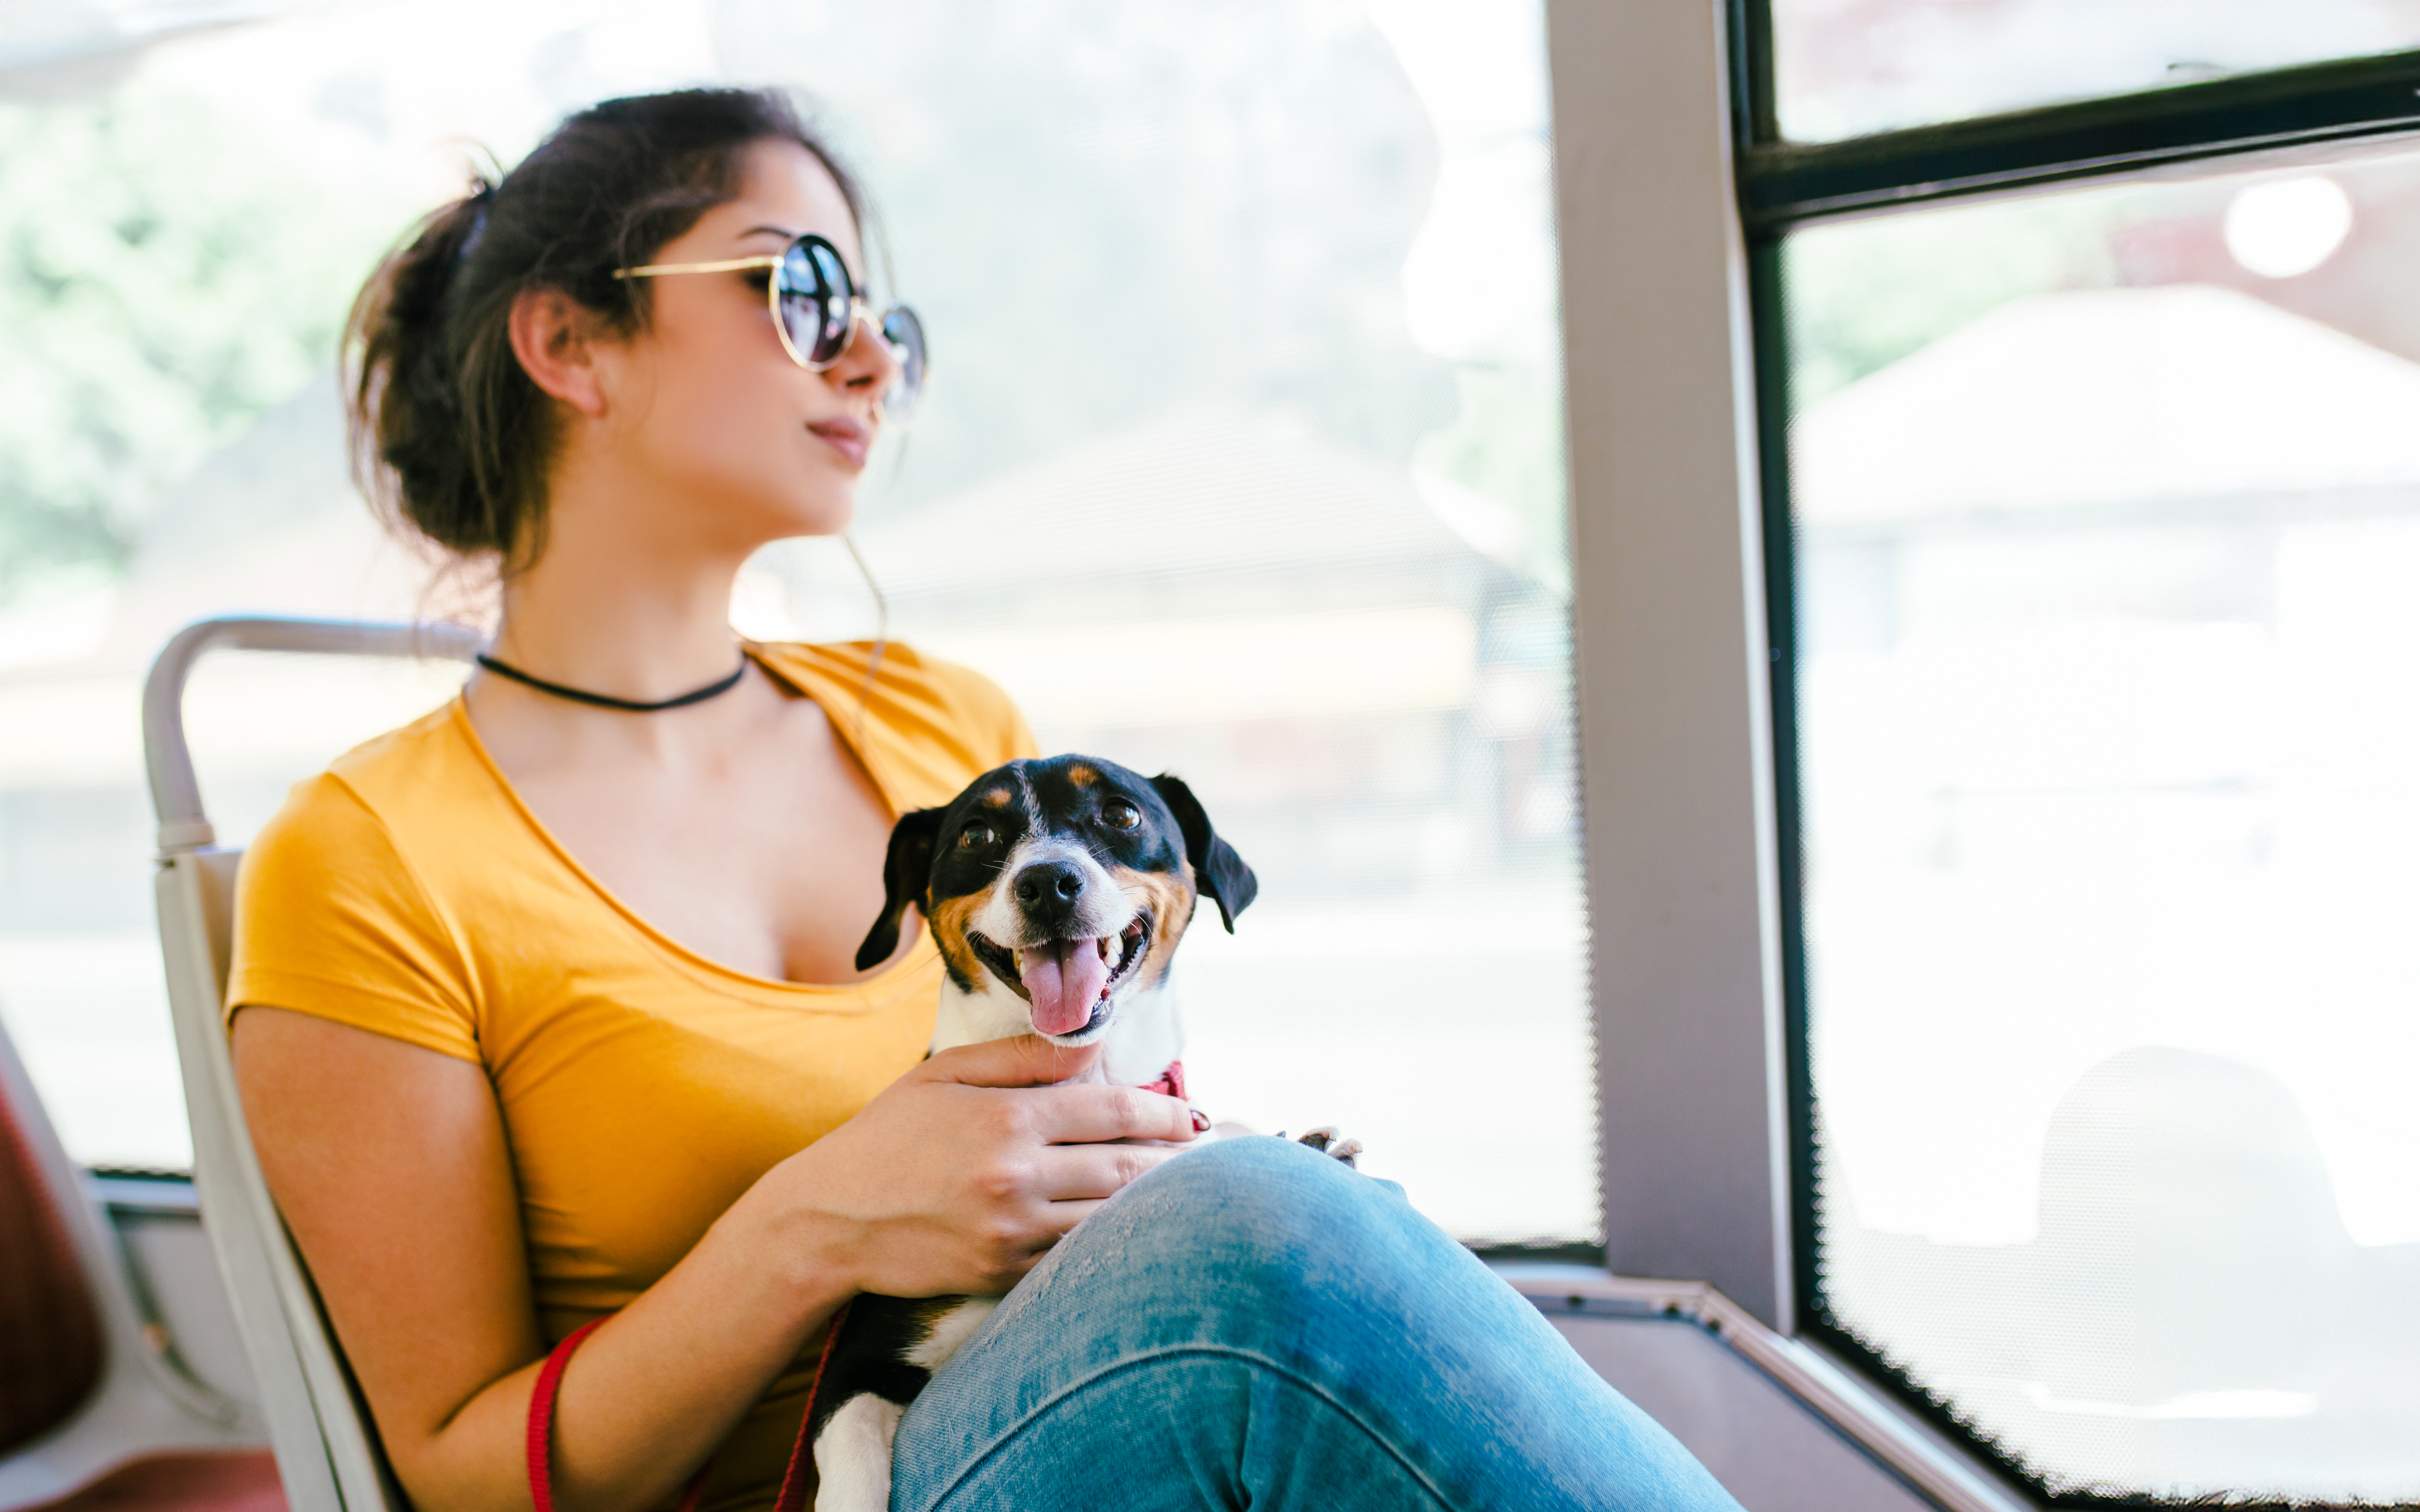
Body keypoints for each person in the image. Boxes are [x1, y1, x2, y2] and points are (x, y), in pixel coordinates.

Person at [227, 87, 1745, 1512]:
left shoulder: (945, 731)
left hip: (1032, 1418)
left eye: (887, 322)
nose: (871, 360)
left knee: (1289, 1213)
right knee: (1265, 1239)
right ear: (570, 341)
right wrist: (814, 1225)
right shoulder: (369, 859)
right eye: (803, 287)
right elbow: (453, 1476)